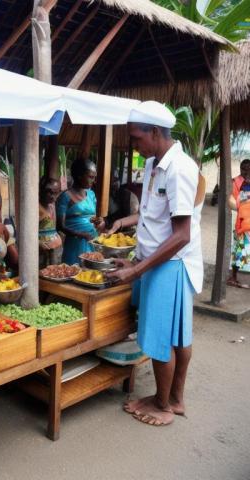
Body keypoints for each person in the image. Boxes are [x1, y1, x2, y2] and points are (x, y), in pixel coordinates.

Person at [107, 101, 203, 427]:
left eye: (137, 138)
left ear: (155, 132)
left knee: (163, 338)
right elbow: (151, 216)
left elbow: (181, 234)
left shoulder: (180, 169)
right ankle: (173, 399)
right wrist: (135, 253)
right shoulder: (152, 164)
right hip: (154, 260)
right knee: (177, 336)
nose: (133, 144)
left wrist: (137, 270)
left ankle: (162, 405)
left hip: (170, 264)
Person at [56, 158, 104, 264]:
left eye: (94, 177)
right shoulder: (65, 197)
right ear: (79, 175)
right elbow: (60, 226)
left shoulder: (91, 194)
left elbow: (94, 217)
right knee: (74, 270)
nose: (94, 181)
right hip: (75, 243)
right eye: (91, 177)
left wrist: (100, 222)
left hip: (93, 240)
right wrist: (80, 234)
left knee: (91, 272)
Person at [227, 158, 250, 287]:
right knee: (239, 250)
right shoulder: (235, 182)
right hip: (242, 224)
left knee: (242, 250)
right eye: (243, 168)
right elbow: (232, 201)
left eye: (248, 169)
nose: (245, 171)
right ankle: (233, 277)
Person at [39, 177, 62, 268]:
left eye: (56, 193)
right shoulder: (36, 206)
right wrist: (39, 244)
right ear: (41, 191)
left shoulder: (52, 205)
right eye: (50, 192)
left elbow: (54, 227)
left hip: (55, 248)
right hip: (42, 249)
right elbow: (28, 232)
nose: (53, 196)